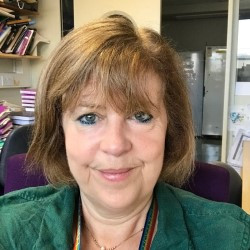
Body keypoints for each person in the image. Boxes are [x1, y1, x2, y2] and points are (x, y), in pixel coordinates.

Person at [0, 15, 249, 250]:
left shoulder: (232, 238)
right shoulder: (8, 230)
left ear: (170, 128)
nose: (115, 145)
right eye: (89, 118)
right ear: (59, 131)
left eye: (141, 116)